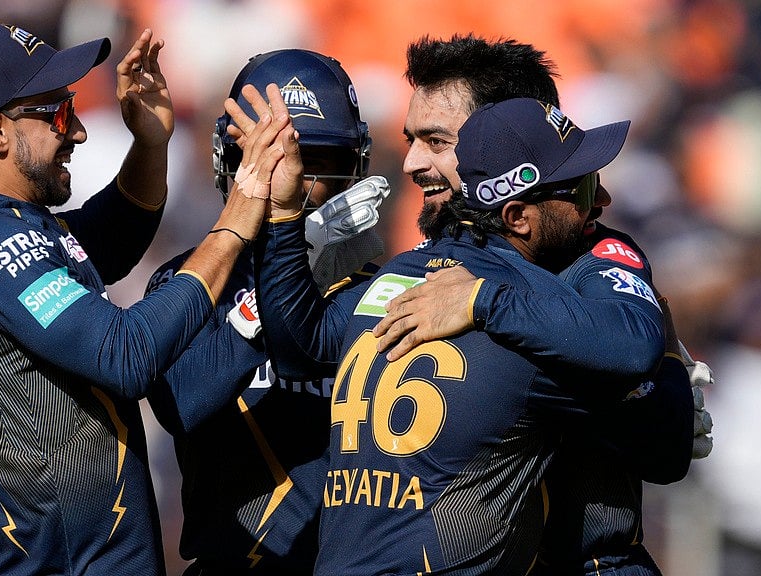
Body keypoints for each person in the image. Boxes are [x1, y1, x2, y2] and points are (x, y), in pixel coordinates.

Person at [0, 24, 296, 575]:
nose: (80, 132)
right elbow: (125, 355)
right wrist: (240, 212)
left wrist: (151, 143)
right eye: (58, 112)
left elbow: (110, 237)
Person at [251, 67, 666, 573]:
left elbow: (301, 346)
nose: (600, 200)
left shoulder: (399, 279)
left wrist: (282, 223)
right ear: (516, 214)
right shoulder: (532, 309)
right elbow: (659, 427)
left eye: (436, 140)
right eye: (580, 188)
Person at [371, 35, 710, 575]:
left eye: (436, 141)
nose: (412, 161)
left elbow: (661, 440)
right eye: (411, 139)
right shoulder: (421, 264)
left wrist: (486, 300)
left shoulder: (595, 253)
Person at [143, 49, 388, 575]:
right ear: (232, 164)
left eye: (319, 163)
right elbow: (181, 403)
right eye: (273, 159)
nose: (296, 180)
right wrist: (272, 294)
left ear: (355, 169)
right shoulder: (191, 280)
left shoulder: (383, 290)